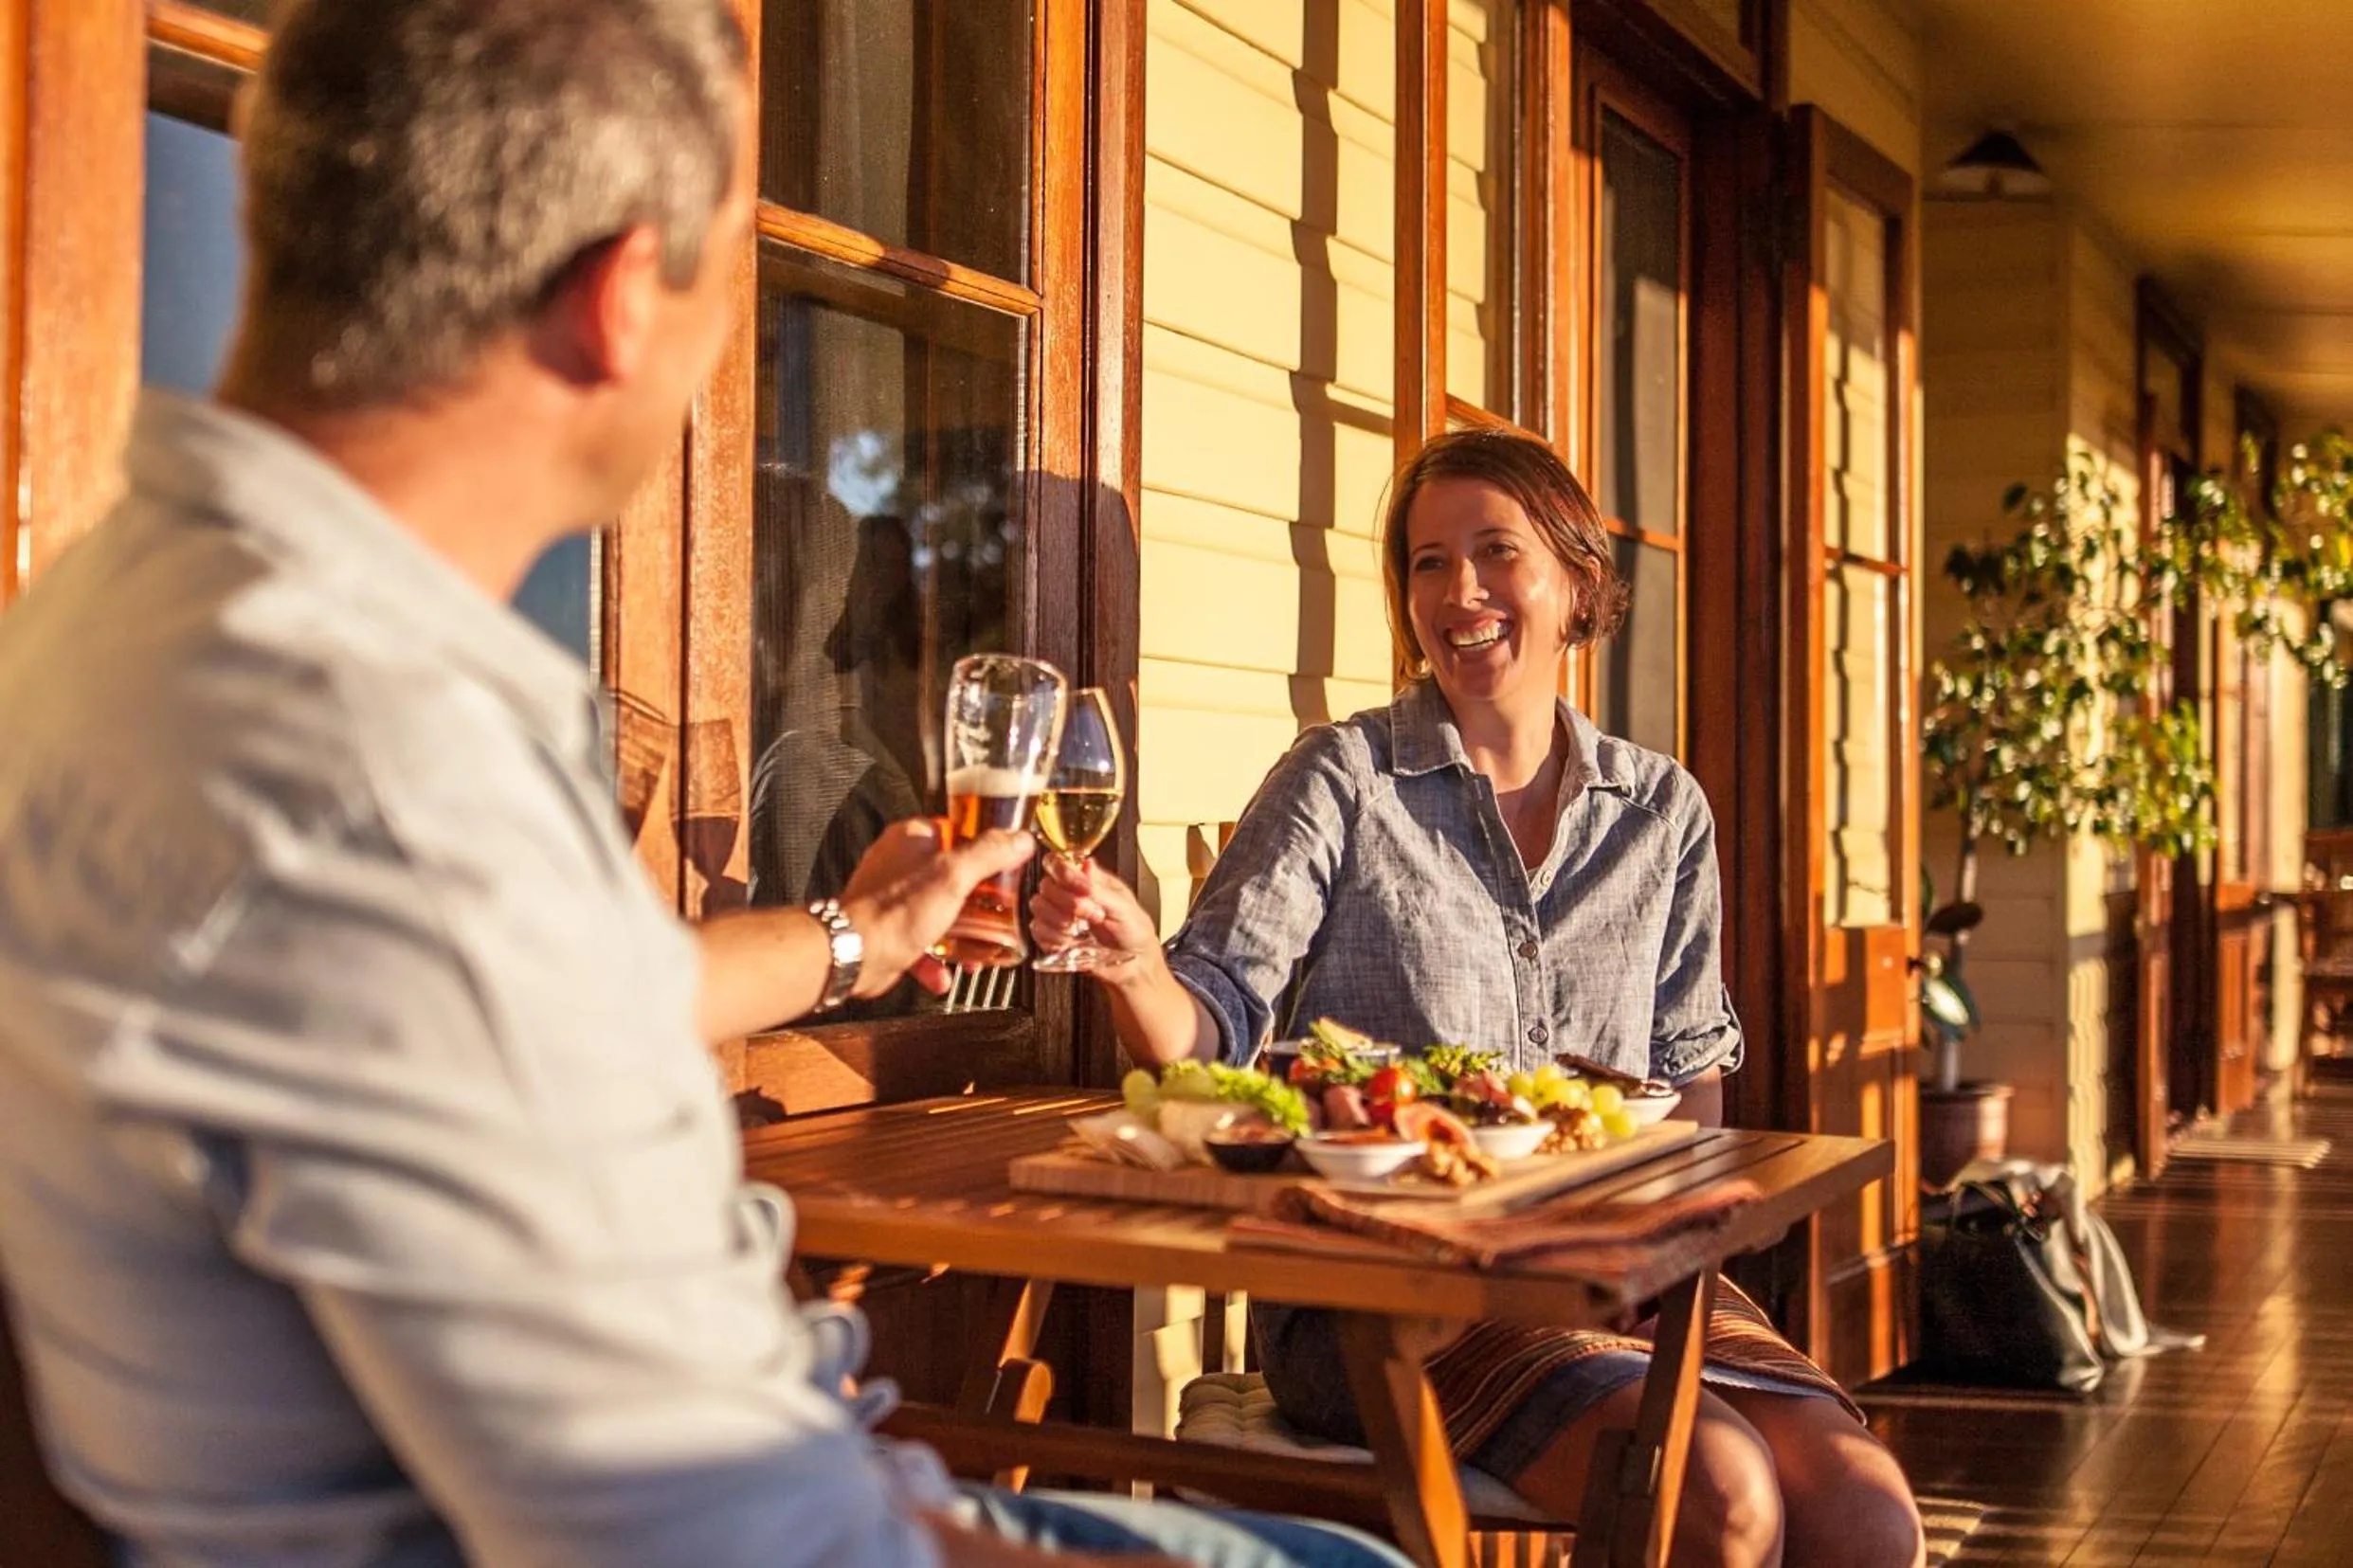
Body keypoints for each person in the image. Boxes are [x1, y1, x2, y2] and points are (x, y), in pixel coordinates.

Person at [0, 4, 1406, 1566]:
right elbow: (746, 1540)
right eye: (725, 284)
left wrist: (858, 939)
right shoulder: (381, 764)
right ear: (618, 302)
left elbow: (521, 1005)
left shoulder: (108, 617)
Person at [1031, 429, 1927, 1568]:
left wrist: (1656, 1256)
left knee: (1865, 1510)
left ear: (1574, 583)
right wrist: (1131, 966)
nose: (1459, 592)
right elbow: (1207, 1020)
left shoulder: (1661, 814)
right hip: (1384, 1290)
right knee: (1718, 1492)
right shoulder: (1343, 780)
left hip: (1617, 1266)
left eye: (1494, 552)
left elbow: (1689, 1076)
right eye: (1424, 562)